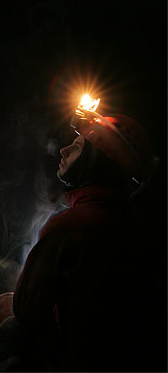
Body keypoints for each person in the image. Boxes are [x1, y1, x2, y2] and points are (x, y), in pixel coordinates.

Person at [9, 112, 166, 372]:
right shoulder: (141, 230)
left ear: (98, 162)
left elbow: (27, 312)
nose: (64, 149)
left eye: (79, 146)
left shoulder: (70, 226)